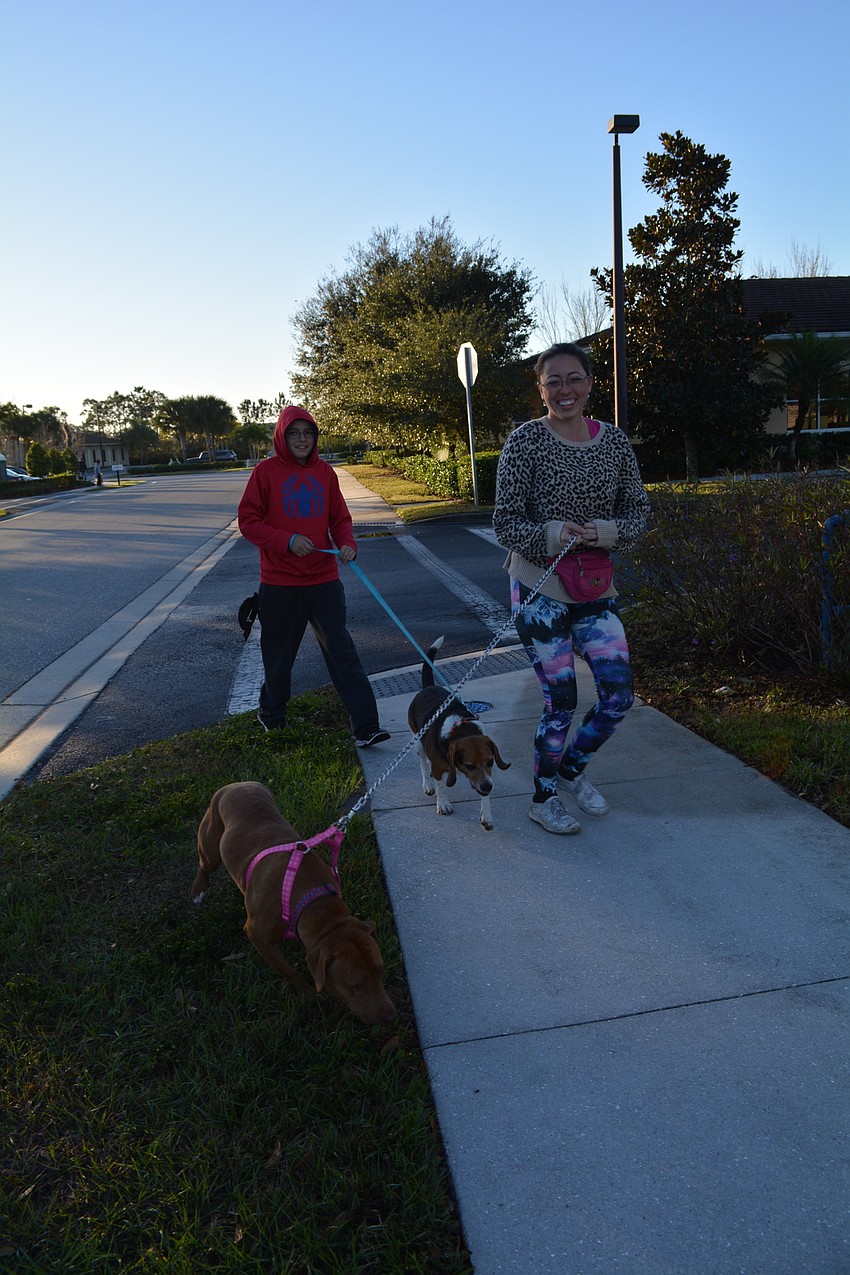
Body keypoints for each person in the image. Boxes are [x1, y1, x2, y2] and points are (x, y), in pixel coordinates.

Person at [493, 342, 650, 835]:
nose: (565, 390)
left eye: (574, 378)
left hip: (595, 587)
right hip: (539, 587)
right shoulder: (525, 442)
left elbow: (640, 515)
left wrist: (602, 533)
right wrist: (552, 533)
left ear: (588, 382)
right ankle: (543, 798)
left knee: (618, 697)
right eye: (553, 381)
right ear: (541, 389)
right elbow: (504, 522)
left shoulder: (614, 442)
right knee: (560, 702)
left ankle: (570, 772)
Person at [237, 405, 390, 746]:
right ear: (282, 436)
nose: (302, 439)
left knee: (343, 653)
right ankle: (272, 716)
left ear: (315, 437)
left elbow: (339, 518)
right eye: (294, 433)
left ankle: (366, 726)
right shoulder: (265, 472)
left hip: (323, 581)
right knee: (279, 658)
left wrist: (347, 543)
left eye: (307, 433)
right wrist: (287, 541)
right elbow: (248, 522)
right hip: (279, 584)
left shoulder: (325, 473)